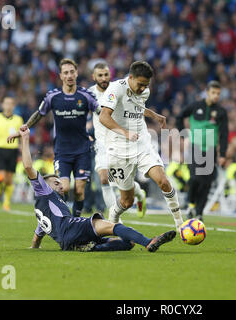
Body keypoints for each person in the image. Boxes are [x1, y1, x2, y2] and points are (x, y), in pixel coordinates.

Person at [18, 126, 176, 252]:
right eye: (55, 182)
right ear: (44, 185)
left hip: (66, 242)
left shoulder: (44, 210)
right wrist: (25, 139)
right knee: (112, 226)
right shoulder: (44, 191)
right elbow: (27, 166)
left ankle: (93, 247)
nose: (60, 184)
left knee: (128, 244)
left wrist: (34, 247)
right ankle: (149, 242)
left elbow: (38, 234)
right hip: (72, 227)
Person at [98, 61, 184, 231]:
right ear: (130, 77)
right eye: (140, 84)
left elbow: (138, 107)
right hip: (118, 148)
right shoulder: (116, 89)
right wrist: (125, 132)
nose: (143, 89)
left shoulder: (144, 91)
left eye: (146, 85)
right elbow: (103, 117)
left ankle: (180, 224)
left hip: (142, 144)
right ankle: (114, 216)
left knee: (163, 181)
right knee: (126, 201)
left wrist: (155, 115)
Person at [8, 58, 98, 217]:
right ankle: (62, 220)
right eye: (66, 73)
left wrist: (100, 134)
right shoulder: (53, 96)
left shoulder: (86, 96)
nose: (69, 75)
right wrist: (24, 128)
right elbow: (39, 114)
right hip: (62, 151)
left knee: (79, 189)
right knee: (63, 188)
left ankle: (74, 222)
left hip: (83, 150)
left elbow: (102, 114)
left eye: (72, 72)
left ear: (76, 73)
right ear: (61, 76)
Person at [89, 62, 147, 218]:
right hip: (102, 143)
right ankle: (116, 222)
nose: (103, 78)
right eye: (100, 75)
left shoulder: (120, 90)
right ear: (93, 77)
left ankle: (140, 194)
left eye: (106, 74)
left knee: (123, 183)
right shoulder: (89, 94)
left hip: (120, 142)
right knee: (103, 179)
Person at [176, 80, 228, 222]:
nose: (216, 96)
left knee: (207, 183)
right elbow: (179, 116)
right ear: (207, 92)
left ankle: (199, 212)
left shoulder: (221, 112)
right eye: (213, 93)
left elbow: (224, 134)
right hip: (195, 147)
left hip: (211, 151)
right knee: (195, 178)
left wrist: (222, 154)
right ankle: (190, 203)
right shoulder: (195, 106)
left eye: (218, 93)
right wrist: (183, 134)